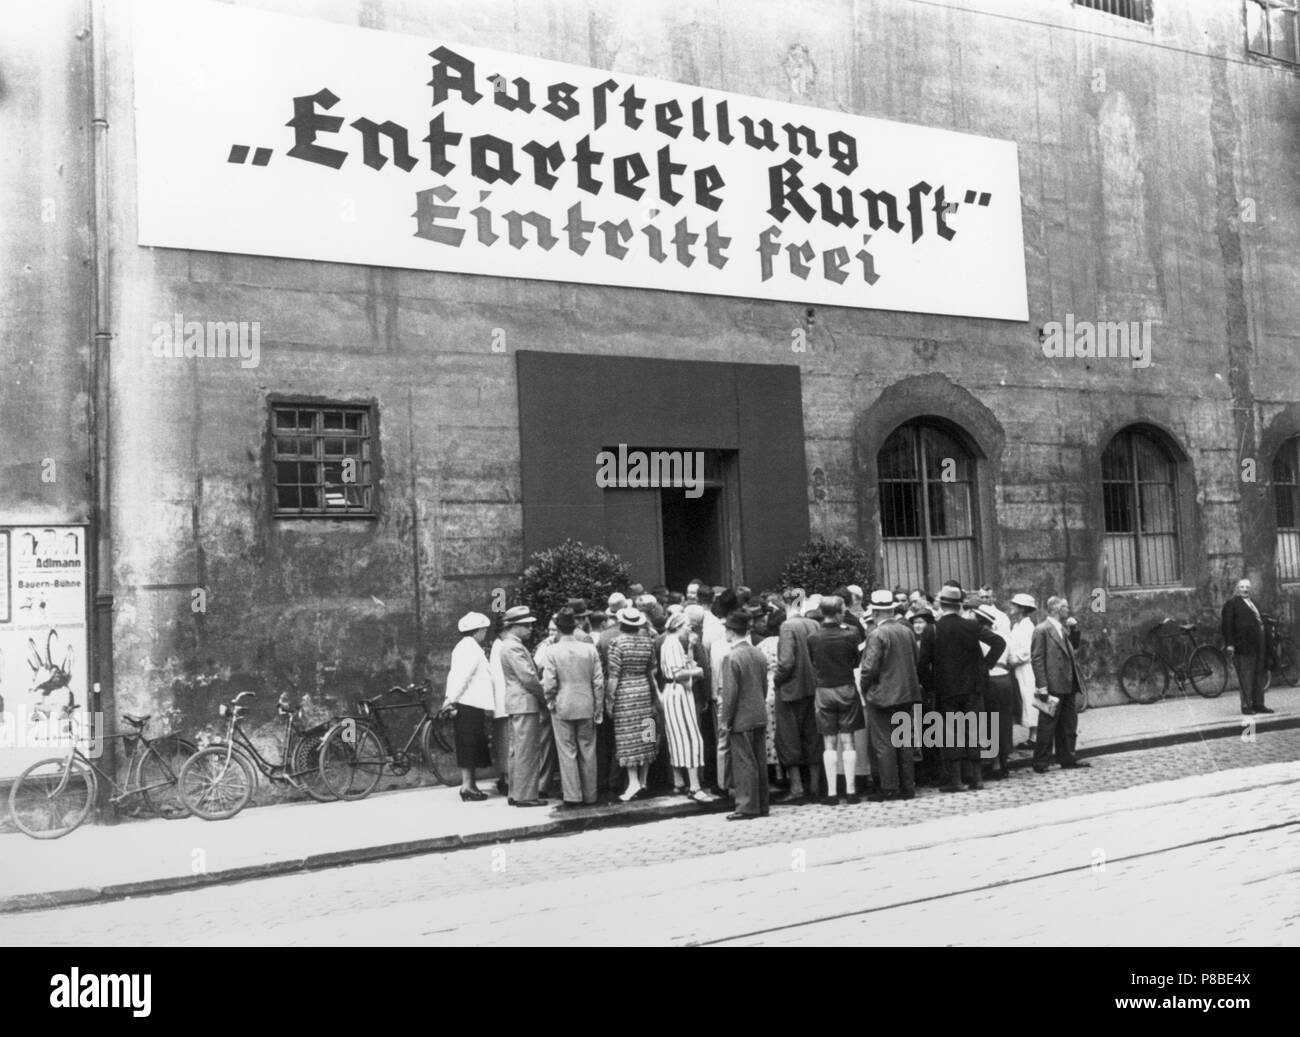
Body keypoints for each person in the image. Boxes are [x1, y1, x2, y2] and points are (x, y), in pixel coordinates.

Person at [918, 584, 1004, 792]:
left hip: (946, 690)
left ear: (942, 605)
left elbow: (922, 664)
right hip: (972, 687)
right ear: (958, 606)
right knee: (974, 729)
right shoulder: (972, 626)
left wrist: (930, 684)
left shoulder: (933, 630)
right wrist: (985, 665)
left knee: (950, 734)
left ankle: (955, 780)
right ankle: (977, 778)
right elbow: (999, 643)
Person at [859, 590, 920, 801]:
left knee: (884, 743)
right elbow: (916, 659)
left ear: (875, 612)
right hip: (906, 693)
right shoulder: (906, 631)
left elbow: (869, 668)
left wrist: (865, 688)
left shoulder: (877, 634)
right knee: (904, 741)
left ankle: (889, 787)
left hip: (883, 695)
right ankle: (908, 786)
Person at [541, 607, 605, 807]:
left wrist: (550, 700)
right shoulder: (590, 649)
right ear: (575, 625)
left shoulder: (551, 651)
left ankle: (572, 795)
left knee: (566, 750)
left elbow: (549, 682)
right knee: (588, 749)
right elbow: (598, 681)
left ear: (558, 629)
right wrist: (598, 705)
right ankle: (590, 795)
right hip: (586, 703)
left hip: (563, 704)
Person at [808, 595, 865, 805]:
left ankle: (831, 793)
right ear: (839, 612)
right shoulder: (850, 636)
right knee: (848, 741)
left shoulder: (813, 637)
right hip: (846, 688)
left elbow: (813, 661)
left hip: (824, 690)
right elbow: (855, 661)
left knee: (829, 743)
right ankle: (851, 791)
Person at [1030, 596, 1090, 773]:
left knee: (1069, 724)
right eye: (1064, 607)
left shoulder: (1063, 629)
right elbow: (1037, 659)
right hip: (1053, 684)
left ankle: (1067, 758)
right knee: (1047, 725)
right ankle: (1041, 761)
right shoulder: (1042, 630)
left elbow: (1074, 648)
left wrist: (1074, 629)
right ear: (1055, 609)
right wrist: (1042, 686)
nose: (1068, 609)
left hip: (1068, 683)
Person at [720, 611, 770, 820]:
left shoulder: (731, 657)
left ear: (731, 631)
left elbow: (730, 694)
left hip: (741, 717)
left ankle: (746, 806)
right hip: (758, 712)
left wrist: (725, 721)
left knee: (744, 763)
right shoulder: (758, 653)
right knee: (759, 761)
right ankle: (762, 804)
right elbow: (764, 685)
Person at [498, 605, 549, 807]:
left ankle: (516, 792)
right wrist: (543, 696)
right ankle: (526, 796)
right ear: (515, 626)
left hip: (516, 703)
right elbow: (528, 677)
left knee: (517, 750)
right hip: (525, 703)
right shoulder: (514, 647)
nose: (530, 629)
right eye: (526, 625)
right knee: (527, 750)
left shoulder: (508, 645)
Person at [659, 611, 712, 802]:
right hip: (678, 692)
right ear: (678, 626)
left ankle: (679, 781)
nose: (690, 630)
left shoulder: (674, 643)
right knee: (691, 737)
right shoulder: (672, 644)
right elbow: (677, 674)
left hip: (677, 692)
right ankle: (695, 786)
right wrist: (697, 672)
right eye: (688, 626)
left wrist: (690, 647)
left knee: (677, 736)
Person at [606, 606, 658, 801]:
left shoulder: (616, 643)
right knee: (647, 733)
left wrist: (609, 700)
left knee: (626, 737)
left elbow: (613, 675)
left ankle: (633, 781)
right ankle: (644, 780)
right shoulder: (648, 642)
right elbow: (653, 671)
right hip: (644, 690)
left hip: (625, 693)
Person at [442, 612, 495, 801]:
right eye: (484, 630)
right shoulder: (469, 649)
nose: (485, 633)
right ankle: (467, 786)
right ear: (477, 630)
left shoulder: (467, 647)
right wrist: (451, 700)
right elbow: (461, 677)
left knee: (470, 745)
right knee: (469, 746)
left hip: (469, 702)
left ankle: (470, 785)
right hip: (468, 703)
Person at [773, 595, 821, 802]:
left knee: (789, 739)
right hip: (814, 687)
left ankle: (797, 788)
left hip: (791, 690)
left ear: (786, 605)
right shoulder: (814, 624)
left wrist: (776, 680)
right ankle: (816, 786)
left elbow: (785, 661)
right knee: (813, 736)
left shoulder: (787, 626)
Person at [1221, 578, 1273, 716]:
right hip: (1243, 645)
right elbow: (1227, 625)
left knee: (1259, 673)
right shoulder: (1232, 604)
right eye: (1242, 587)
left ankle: (1259, 704)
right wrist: (1230, 644)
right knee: (1246, 675)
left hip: (1259, 644)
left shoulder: (1253, 603)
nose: (1245, 589)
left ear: (1251, 589)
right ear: (1237, 588)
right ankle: (1246, 705)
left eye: (1247, 587)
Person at [974, 604, 1014, 779]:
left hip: (989, 680)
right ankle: (1004, 761)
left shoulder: (980, 639)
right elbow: (1011, 660)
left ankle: (995, 763)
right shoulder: (1004, 637)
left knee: (989, 722)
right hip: (1005, 678)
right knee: (1004, 721)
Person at [1005, 593, 1039, 750]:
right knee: (1022, 699)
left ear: (1022, 609)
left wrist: (1012, 660)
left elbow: (1026, 651)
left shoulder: (1027, 626)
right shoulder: (1017, 625)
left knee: (1029, 697)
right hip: (1017, 668)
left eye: (1014, 605)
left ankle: (1035, 736)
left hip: (1026, 668)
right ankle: (1033, 735)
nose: (1011, 607)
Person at [757, 607, 784, 783]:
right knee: (782, 731)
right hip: (781, 686)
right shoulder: (784, 642)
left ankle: (774, 771)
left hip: (767, 689)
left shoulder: (762, 645)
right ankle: (785, 770)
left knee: (769, 732)